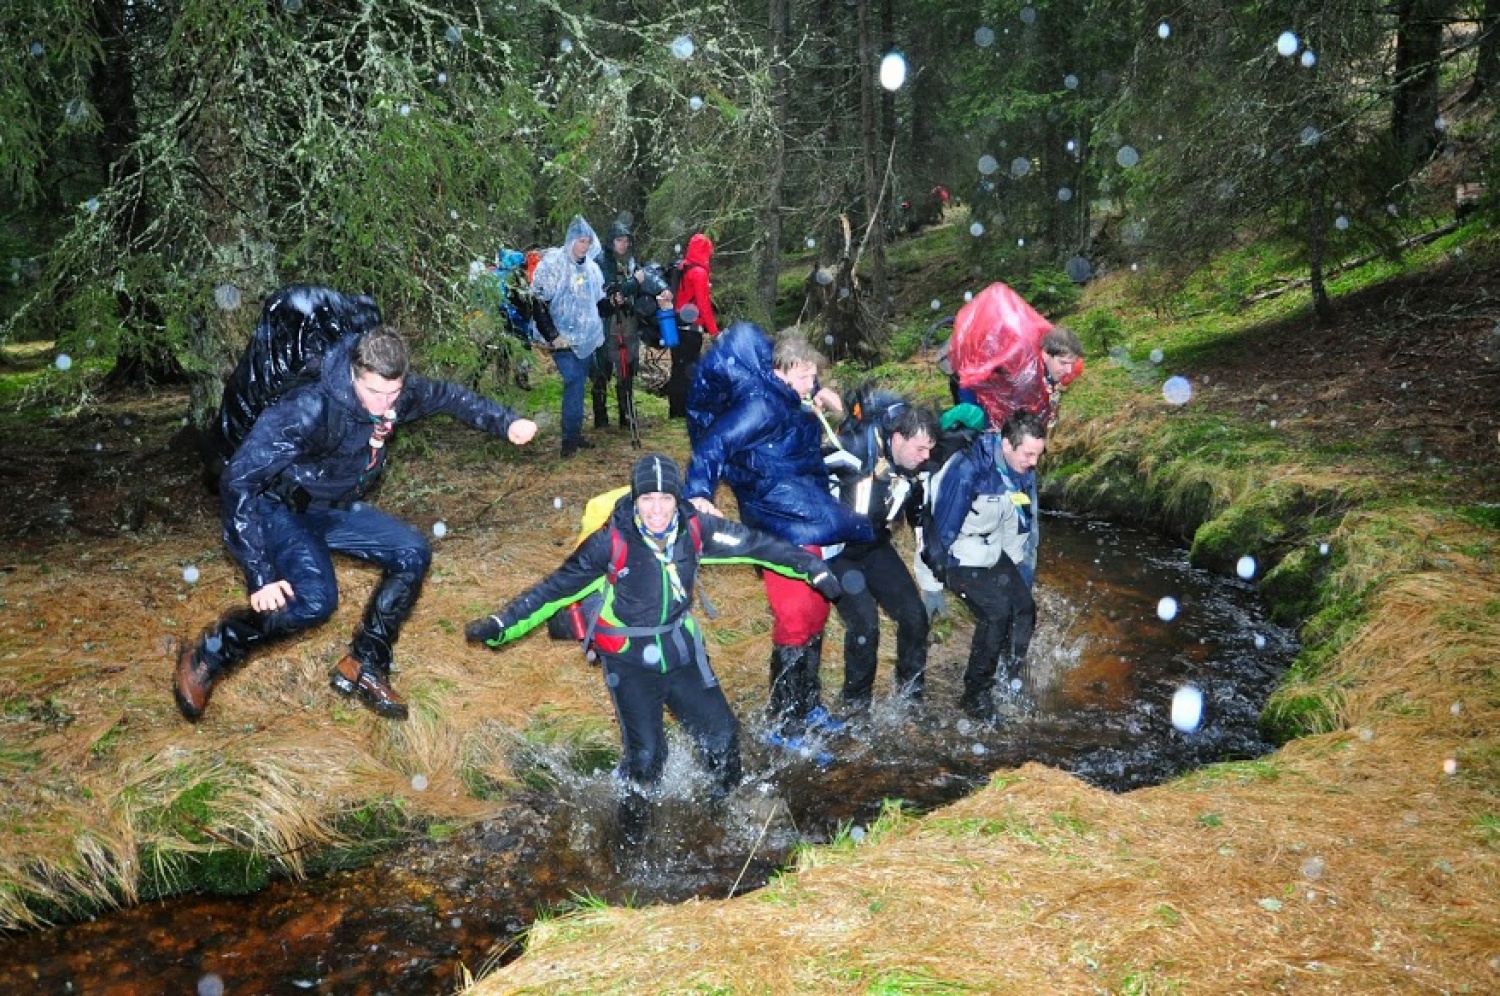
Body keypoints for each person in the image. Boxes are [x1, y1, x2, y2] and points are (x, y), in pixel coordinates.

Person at [173, 328, 538, 722]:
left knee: (412, 551)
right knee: (314, 602)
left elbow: (450, 396)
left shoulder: (396, 395)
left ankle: (367, 663)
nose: (383, 406)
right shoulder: (307, 408)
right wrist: (259, 574)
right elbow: (239, 480)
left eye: (392, 394)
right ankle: (210, 652)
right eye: (374, 393)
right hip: (279, 509)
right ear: (353, 373)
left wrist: (506, 421)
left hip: (334, 508)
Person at [463, 454, 842, 804]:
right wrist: (501, 625)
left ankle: (720, 815)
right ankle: (631, 845)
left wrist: (812, 568)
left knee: (723, 740)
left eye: (665, 498)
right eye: (647, 499)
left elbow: (758, 546)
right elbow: (553, 590)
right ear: (635, 499)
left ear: (677, 499)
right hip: (629, 663)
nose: (657, 509)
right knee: (646, 759)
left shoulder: (696, 530)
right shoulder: (610, 543)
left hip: (680, 652)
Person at [684, 324, 874, 742]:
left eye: (813, 376)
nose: (812, 383)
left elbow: (802, 395)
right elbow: (713, 445)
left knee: (817, 611)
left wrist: (818, 391)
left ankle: (809, 705)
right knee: (794, 619)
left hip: (806, 512)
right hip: (777, 522)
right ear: (783, 371)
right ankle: (783, 722)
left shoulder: (791, 397)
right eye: (806, 376)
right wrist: (698, 493)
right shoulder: (760, 407)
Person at [927, 409, 1047, 725]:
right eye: (1029, 454)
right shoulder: (969, 470)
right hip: (956, 555)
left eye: (1038, 454)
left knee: (1024, 608)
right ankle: (975, 694)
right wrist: (937, 577)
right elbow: (941, 530)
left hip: (990, 549)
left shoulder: (1019, 469)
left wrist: (1015, 566)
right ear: (1007, 444)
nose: (1034, 462)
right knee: (996, 612)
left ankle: (1010, 678)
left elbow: (1013, 518)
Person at [825, 394, 940, 714]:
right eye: (920, 448)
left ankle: (909, 700)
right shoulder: (853, 449)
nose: (926, 456)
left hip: (875, 545)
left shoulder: (915, 465)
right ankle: (855, 708)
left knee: (915, 618)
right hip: (838, 551)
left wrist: (930, 548)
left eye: (930, 449)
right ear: (897, 439)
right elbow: (803, 471)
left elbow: (919, 507)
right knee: (866, 625)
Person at [947, 281, 1085, 430]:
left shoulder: (1061, 358)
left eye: (1070, 364)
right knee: (977, 424)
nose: (1068, 370)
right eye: (1063, 363)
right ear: (1045, 354)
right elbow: (970, 378)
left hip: (1000, 380)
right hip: (972, 384)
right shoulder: (1019, 358)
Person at [531, 215, 605, 457]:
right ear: (571, 240)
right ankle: (568, 443)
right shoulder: (554, 265)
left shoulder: (592, 269)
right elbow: (538, 301)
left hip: (585, 337)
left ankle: (574, 432)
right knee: (573, 381)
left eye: (588, 241)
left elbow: (597, 301)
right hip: (561, 338)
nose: (584, 245)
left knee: (580, 383)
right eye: (581, 240)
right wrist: (552, 335)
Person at [592, 220, 643, 432]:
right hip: (609, 324)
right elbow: (612, 291)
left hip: (628, 322)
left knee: (627, 368)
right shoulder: (602, 261)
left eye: (626, 240)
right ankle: (601, 416)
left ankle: (626, 414)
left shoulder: (631, 261)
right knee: (602, 369)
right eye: (619, 240)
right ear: (611, 241)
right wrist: (634, 283)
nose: (624, 244)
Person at [664, 232, 719, 419]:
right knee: (688, 370)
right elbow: (703, 305)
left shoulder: (682, 267)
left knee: (677, 369)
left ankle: (675, 409)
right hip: (691, 329)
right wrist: (714, 331)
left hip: (676, 324)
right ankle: (683, 411)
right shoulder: (699, 273)